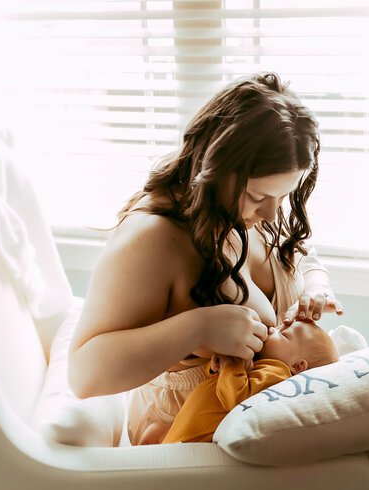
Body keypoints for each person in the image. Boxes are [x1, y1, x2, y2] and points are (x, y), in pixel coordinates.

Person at [68, 72, 344, 446]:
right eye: (258, 196)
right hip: (185, 447)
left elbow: (302, 253)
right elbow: (84, 374)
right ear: (215, 170)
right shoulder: (154, 239)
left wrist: (316, 286)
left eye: (284, 196)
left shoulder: (250, 211)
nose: (271, 214)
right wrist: (198, 328)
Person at [161, 319, 338, 444]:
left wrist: (231, 364)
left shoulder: (277, 374)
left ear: (298, 366)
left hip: (195, 443)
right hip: (185, 433)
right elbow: (218, 385)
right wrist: (217, 366)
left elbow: (237, 398)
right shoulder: (262, 365)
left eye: (282, 334)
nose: (271, 330)